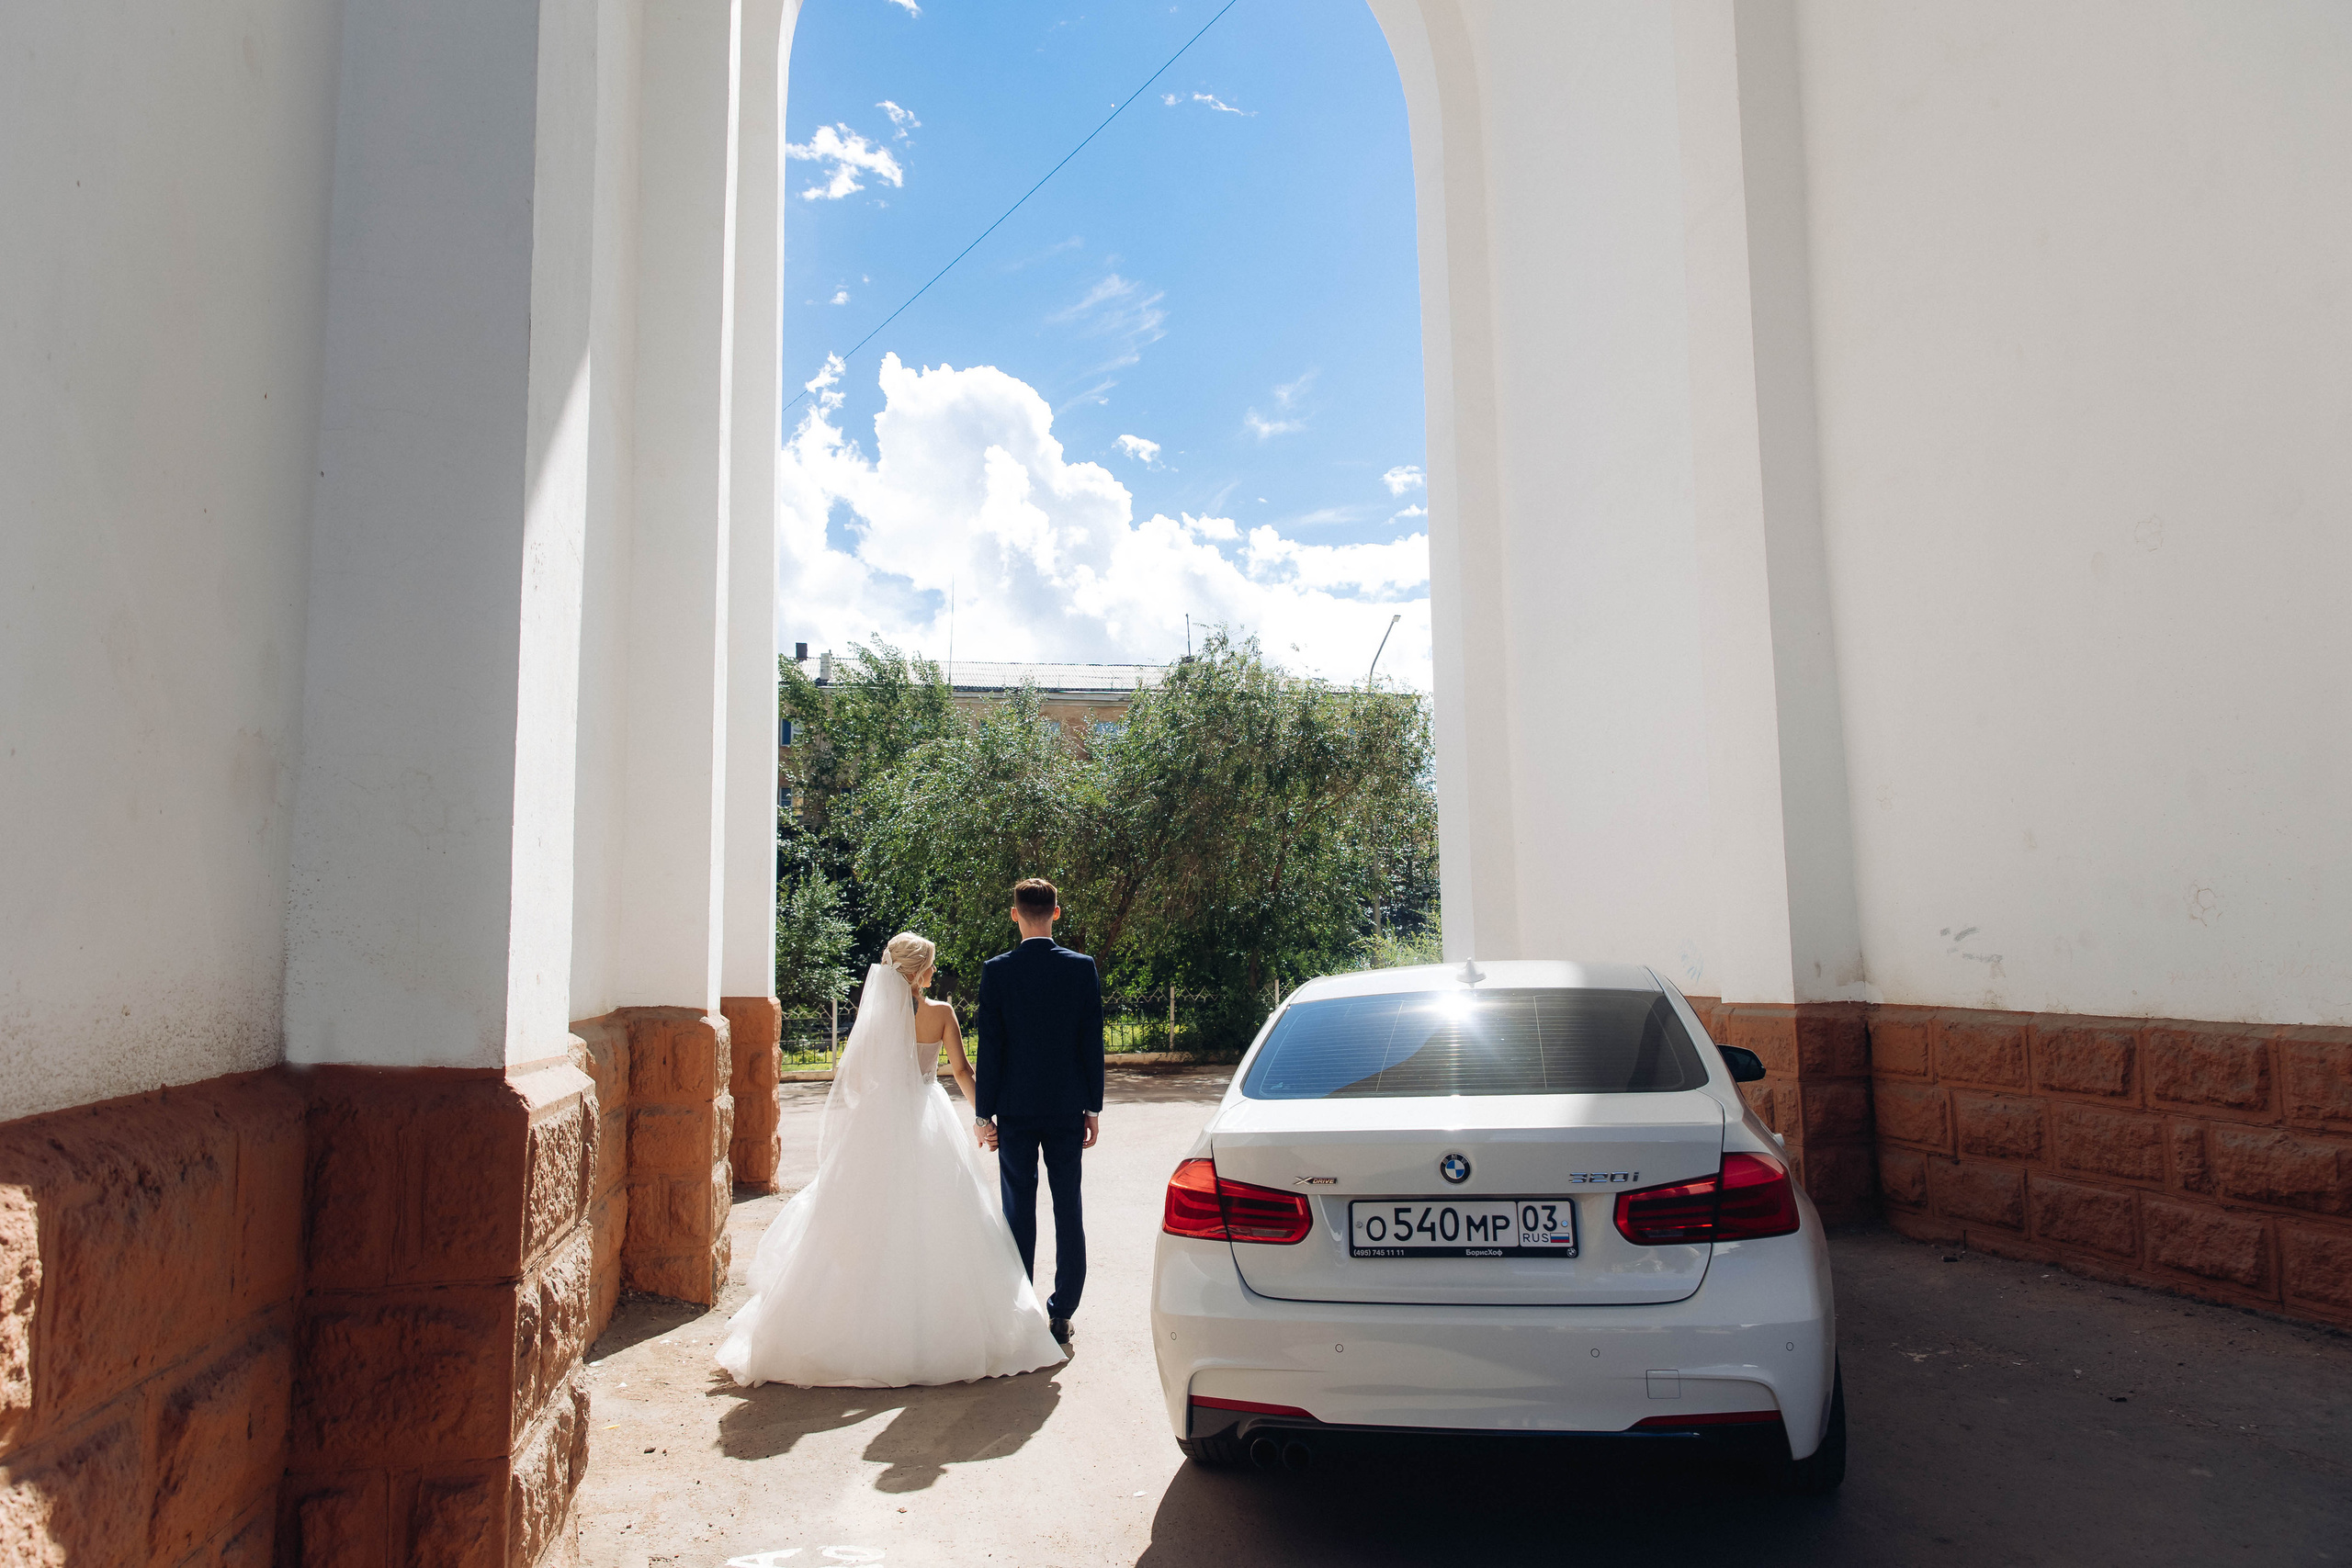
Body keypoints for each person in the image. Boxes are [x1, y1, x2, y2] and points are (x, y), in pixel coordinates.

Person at [715, 932, 1064, 1388]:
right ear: (918, 973)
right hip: (927, 1115)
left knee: (870, 1219)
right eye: (932, 966)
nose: (935, 972)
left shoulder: (876, 1014)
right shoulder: (941, 1014)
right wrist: (982, 1119)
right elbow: (961, 1071)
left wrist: (877, 1113)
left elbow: (857, 1077)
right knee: (941, 1216)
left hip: (880, 1119)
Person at [973, 878, 1105, 1349]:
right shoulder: (1080, 968)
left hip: (1015, 1109)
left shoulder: (997, 972)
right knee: (1068, 1207)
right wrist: (1093, 1106)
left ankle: (1023, 1306)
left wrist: (983, 1114)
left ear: (1014, 914)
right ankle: (1061, 1312)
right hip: (1067, 1107)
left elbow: (991, 1049)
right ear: (1056, 912)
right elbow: (1091, 1042)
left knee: (1018, 1208)